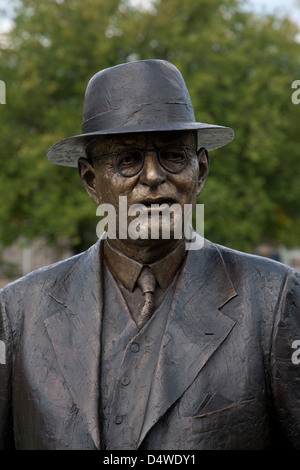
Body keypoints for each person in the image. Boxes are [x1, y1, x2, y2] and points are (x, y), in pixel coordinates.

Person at [0, 59, 299, 450]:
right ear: (91, 181)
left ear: (201, 170)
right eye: (128, 160)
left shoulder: (273, 299)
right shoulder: (19, 311)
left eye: (174, 155)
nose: (155, 176)